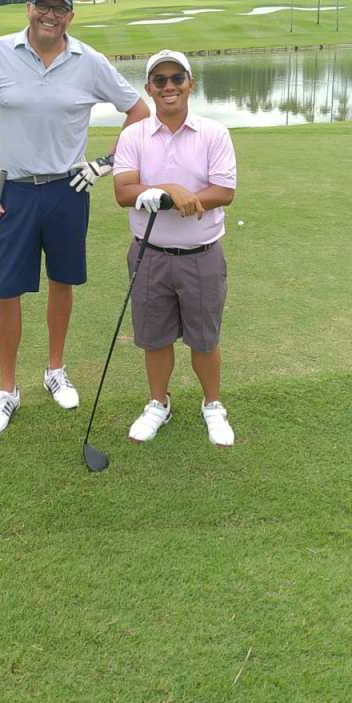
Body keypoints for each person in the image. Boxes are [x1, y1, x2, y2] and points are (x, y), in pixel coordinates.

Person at [0, 0, 149, 436]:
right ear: (29, 8)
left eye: (59, 9)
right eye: (43, 6)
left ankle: (55, 370)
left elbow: (139, 111)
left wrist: (105, 163)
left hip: (69, 189)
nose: (50, 15)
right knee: (6, 290)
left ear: (70, 15)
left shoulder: (89, 61)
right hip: (15, 191)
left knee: (62, 281)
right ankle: (7, 389)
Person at [112, 49, 237, 446]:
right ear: (148, 88)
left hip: (202, 254)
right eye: (160, 80)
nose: (169, 87)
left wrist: (178, 197)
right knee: (155, 337)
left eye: (177, 79)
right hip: (149, 255)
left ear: (190, 84)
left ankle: (212, 404)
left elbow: (224, 191)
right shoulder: (133, 135)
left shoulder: (214, 133)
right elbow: (123, 192)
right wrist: (170, 190)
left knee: (204, 339)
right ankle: (158, 403)